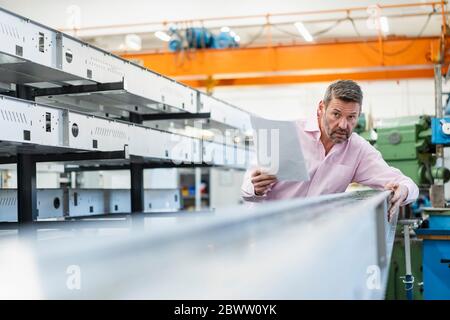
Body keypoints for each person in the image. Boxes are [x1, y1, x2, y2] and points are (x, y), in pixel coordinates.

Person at [241, 80, 419, 220]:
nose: (343, 125)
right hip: (268, 234)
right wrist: (255, 188)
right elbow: (247, 192)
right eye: (336, 114)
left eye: (351, 117)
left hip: (313, 240)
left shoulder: (357, 150)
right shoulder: (285, 135)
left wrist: (403, 191)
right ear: (321, 108)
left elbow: (406, 184)